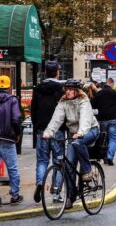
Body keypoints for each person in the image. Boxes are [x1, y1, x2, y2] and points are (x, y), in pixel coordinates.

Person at [43, 79, 99, 209]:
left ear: (76, 91)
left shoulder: (84, 101)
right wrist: (48, 132)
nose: (68, 92)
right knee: (69, 167)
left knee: (78, 143)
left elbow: (85, 119)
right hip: (73, 134)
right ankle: (70, 197)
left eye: (70, 89)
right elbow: (56, 120)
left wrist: (80, 133)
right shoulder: (63, 103)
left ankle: (87, 171)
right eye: (66, 89)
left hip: (90, 130)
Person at [31, 61, 65, 203]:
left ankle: (40, 182)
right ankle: (56, 193)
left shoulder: (38, 89)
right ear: (57, 72)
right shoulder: (61, 89)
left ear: (45, 72)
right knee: (59, 161)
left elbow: (34, 110)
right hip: (57, 130)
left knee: (42, 160)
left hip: (42, 130)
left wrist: (37, 126)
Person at [91, 77, 116, 165]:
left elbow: (93, 105)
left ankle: (104, 156)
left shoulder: (99, 93)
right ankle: (110, 156)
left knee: (103, 138)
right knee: (112, 138)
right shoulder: (114, 92)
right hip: (113, 118)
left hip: (102, 119)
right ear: (112, 83)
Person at [0, 75, 23, 205]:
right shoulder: (12, 100)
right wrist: (17, 133)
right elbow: (15, 119)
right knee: (12, 168)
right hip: (8, 138)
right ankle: (15, 195)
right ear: (8, 86)